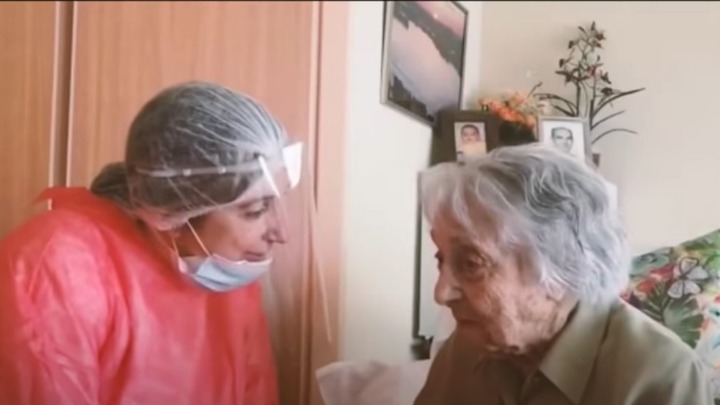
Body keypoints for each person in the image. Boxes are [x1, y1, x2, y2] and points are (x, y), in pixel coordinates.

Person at [0, 81, 304, 405]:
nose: (281, 232)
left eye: (279, 201)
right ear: (178, 212)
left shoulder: (224, 271)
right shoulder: (57, 265)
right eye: (255, 210)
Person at [414, 144, 715, 405]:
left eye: (471, 264)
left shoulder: (662, 376)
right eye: (442, 260)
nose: (441, 293)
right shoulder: (467, 346)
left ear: (562, 267)